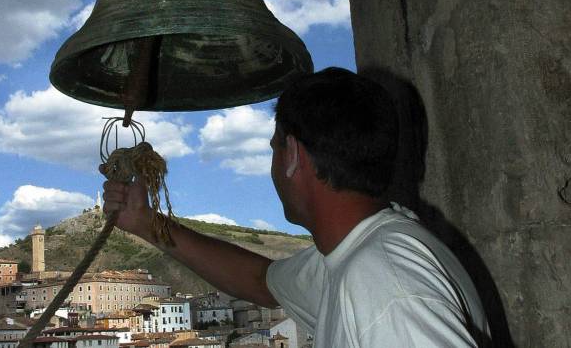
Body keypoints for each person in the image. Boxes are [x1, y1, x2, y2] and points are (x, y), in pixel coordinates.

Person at [102, 67, 491, 347]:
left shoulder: (383, 279)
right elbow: (260, 281)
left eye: (275, 148)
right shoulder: (354, 255)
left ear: (293, 156)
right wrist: (147, 223)